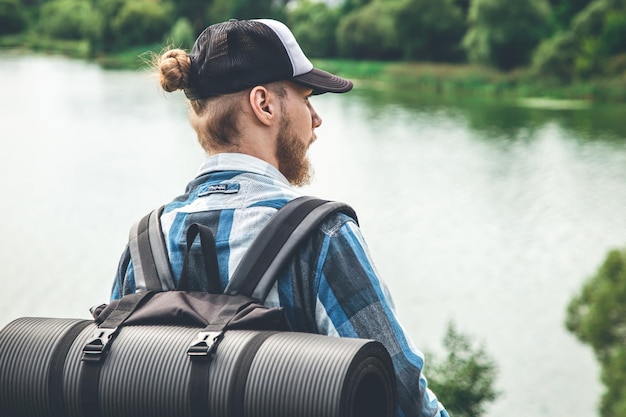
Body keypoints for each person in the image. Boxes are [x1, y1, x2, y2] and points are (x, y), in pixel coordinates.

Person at [111, 18, 448, 417]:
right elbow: (398, 391)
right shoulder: (323, 237)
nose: (316, 119)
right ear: (264, 104)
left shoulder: (146, 243)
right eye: (306, 98)